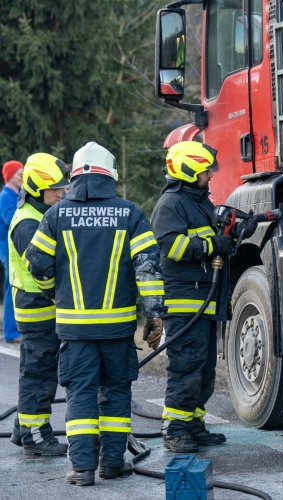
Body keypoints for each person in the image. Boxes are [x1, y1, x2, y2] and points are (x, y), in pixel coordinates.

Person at [25, 142, 164, 486]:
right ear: (110, 174)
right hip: (117, 331)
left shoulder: (55, 215)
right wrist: (154, 316)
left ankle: (83, 468)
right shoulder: (130, 214)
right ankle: (113, 464)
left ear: (74, 176)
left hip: (75, 331)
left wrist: (55, 295)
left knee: (81, 395)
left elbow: (36, 265)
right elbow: (148, 270)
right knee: (116, 393)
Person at [150, 141, 257, 453]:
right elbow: (173, 248)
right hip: (186, 303)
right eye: (205, 170)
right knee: (186, 368)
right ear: (188, 171)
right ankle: (175, 430)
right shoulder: (171, 204)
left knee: (204, 371)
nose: (210, 175)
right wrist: (214, 246)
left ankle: (193, 425)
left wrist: (237, 234)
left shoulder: (200, 203)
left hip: (205, 301)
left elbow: (215, 242)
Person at [9, 153, 70, 456]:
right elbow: (44, 267)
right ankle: (36, 435)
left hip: (39, 306)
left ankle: (23, 429)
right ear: (37, 188)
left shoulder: (38, 214)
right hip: (37, 308)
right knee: (39, 373)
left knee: (36, 368)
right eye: (55, 189)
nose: (61, 193)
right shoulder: (28, 224)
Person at [0, 160, 23, 343]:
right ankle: (10, 332)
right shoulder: (6, 195)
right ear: (9, 176)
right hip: (6, 247)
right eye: (19, 173)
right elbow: (10, 218)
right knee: (11, 286)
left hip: (13, 245)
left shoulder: (16, 194)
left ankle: (15, 328)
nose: (22, 176)